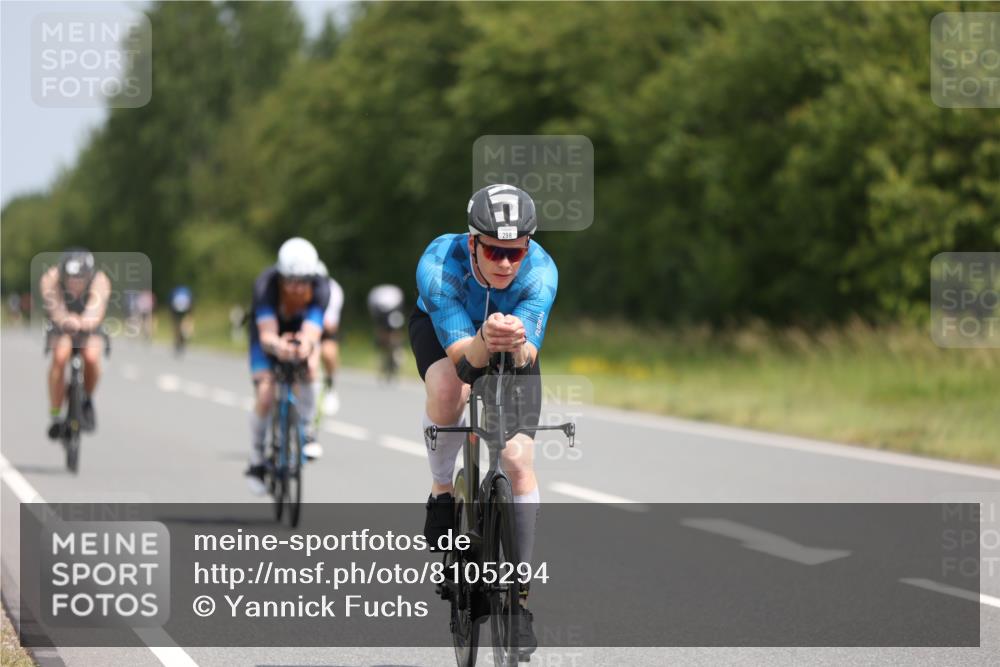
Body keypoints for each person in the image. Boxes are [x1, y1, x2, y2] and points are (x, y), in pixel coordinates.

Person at [410, 184, 558, 655]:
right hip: (446, 337)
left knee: (517, 460)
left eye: (515, 252)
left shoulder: (541, 272)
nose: (505, 263)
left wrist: (514, 341)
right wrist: (486, 337)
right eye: (493, 250)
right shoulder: (439, 267)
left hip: (510, 343)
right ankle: (440, 489)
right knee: (451, 389)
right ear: (472, 241)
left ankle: (517, 595)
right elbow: (464, 361)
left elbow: (528, 354)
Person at [244, 238, 329, 495]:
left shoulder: (322, 288)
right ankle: (257, 458)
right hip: (267, 337)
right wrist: (278, 346)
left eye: (303, 280)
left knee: (312, 366)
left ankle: (308, 429)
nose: (296, 287)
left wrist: (305, 346)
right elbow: (267, 334)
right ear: (280, 276)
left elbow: (312, 332)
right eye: (290, 280)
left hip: (298, 331)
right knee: (266, 393)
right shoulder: (265, 285)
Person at [39, 248, 111, 437]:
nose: (75, 283)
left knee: (92, 357)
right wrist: (64, 319)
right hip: (62, 324)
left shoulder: (100, 279)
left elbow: (97, 306)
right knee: (61, 356)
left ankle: (86, 398)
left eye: (80, 278)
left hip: (88, 324)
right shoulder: (50, 278)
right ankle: (55, 412)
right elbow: (54, 306)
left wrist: (86, 320)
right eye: (71, 278)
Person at [315, 261, 344, 416]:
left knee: (329, 353)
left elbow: (330, 325)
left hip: (322, 331)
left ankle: (330, 386)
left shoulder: (333, 290)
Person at [367, 284, 405, 381]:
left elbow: (396, 325)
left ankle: (396, 352)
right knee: (382, 334)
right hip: (381, 307)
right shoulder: (375, 301)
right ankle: (386, 357)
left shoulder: (394, 299)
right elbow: (378, 324)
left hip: (393, 306)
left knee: (394, 333)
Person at [168, 285, 194, 355]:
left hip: (175, 308)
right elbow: (191, 302)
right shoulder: (186, 291)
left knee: (176, 324)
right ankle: (186, 334)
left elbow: (170, 302)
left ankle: (177, 338)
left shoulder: (175, 291)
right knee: (186, 321)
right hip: (185, 308)